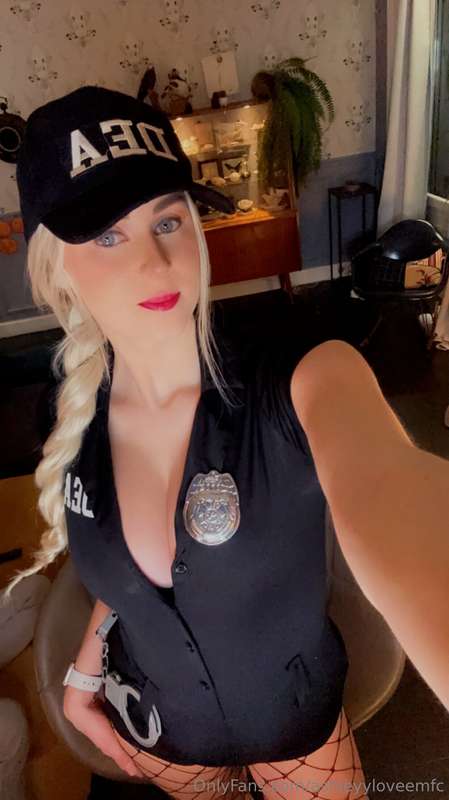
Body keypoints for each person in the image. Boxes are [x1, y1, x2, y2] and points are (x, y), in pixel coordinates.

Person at [3, 84, 448, 799]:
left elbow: (393, 486)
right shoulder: (67, 413)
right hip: (164, 733)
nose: (155, 262)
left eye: (167, 221)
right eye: (108, 235)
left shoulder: (304, 375)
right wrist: (86, 667)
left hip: (294, 724)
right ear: (57, 267)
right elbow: (130, 571)